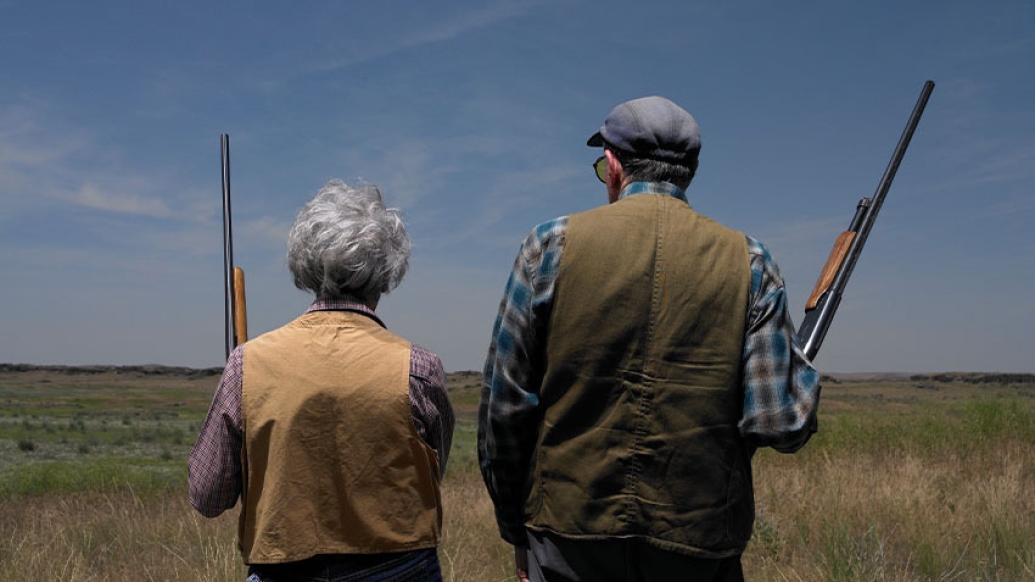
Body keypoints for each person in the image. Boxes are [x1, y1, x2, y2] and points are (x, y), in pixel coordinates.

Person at [478, 96, 821, 582]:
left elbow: (504, 408)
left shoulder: (548, 244)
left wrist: (518, 530)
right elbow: (782, 424)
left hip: (565, 537)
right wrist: (800, 368)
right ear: (691, 171)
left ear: (614, 165)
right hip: (698, 547)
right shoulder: (751, 261)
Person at [189, 179, 454, 582]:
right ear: (387, 272)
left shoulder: (247, 364)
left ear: (305, 266)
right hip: (400, 569)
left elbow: (208, 496)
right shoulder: (419, 367)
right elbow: (430, 474)